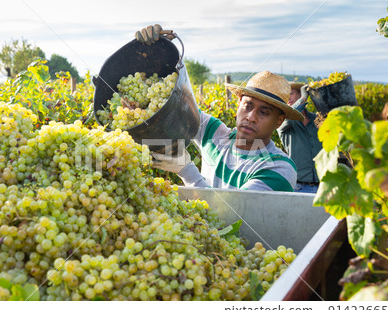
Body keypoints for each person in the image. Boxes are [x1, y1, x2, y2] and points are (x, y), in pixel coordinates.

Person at [135, 25, 305, 192]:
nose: (251, 117)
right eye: (248, 106)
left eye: (264, 112)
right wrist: (161, 50)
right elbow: (179, 105)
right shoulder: (214, 133)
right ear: (238, 103)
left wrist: (185, 170)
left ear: (279, 121)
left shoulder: (280, 169)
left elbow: (235, 217)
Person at [276, 82, 322, 193]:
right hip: (299, 187)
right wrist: (302, 99)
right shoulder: (282, 121)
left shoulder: (316, 119)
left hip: (323, 186)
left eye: (291, 94)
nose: (288, 98)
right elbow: (290, 115)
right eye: (285, 96)